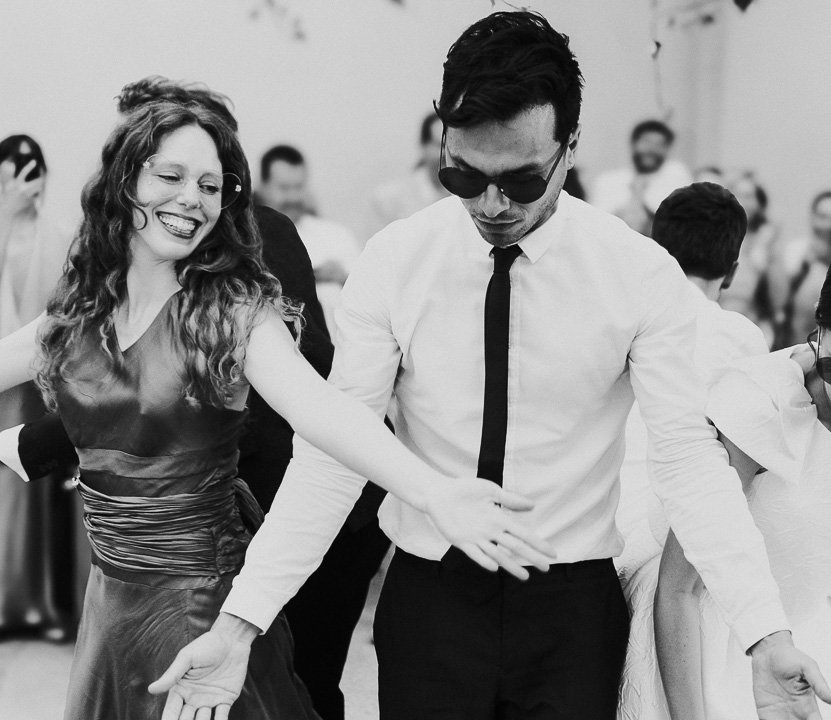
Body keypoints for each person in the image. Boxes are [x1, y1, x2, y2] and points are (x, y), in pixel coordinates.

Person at [155, 12, 830, 720]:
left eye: (521, 179)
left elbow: (688, 464)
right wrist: (240, 625)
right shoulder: (395, 261)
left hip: (572, 612)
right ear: (442, 137)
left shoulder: (639, 274)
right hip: (430, 604)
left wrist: (766, 634)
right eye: (464, 175)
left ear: (570, 150)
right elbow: (336, 453)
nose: (492, 204)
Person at [0, 98, 550, 720]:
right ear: (127, 178)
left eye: (211, 185)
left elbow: (322, 408)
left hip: (198, 606)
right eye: (170, 176)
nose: (192, 199)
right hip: (109, 605)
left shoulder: (230, 311)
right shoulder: (84, 304)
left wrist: (431, 491)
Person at [0, 75, 386, 720]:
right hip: (129, 578)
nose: (179, 193)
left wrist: (429, 487)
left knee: (302, 686)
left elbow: (307, 394)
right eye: (149, 161)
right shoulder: (104, 290)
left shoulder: (252, 253)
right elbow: (127, 380)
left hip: (285, 516)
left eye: (199, 177)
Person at [642, 229, 831, 720]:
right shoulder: (765, 406)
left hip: (818, 638)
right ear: (820, 329)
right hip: (712, 646)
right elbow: (680, 589)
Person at [616, 182, 768, 579]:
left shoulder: (619, 316)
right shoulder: (741, 337)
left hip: (596, 519)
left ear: (654, 249)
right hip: (669, 536)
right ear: (732, 272)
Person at [0, 134, 75, 640]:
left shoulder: (62, 235)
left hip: (42, 380)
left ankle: (41, 604)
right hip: (4, 380)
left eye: (34, 170)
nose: (27, 181)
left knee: (40, 492)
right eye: (13, 172)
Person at [259, 144, 361, 340]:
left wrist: (342, 277)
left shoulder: (336, 234)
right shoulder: (250, 238)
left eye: (299, 187)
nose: (293, 197)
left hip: (342, 345)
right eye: (283, 188)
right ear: (263, 186)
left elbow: (371, 295)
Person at [769, 190, 831, 348]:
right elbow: (776, 310)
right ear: (812, 217)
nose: (829, 225)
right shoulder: (792, 254)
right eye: (823, 217)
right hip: (789, 352)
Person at [590, 119, 692, 235]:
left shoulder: (676, 179)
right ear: (634, 144)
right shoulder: (607, 181)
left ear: (667, 150)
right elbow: (596, 223)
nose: (652, 149)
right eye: (646, 142)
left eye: (660, 144)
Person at [363, 111, 450, 242]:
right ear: (423, 145)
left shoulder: (468, 195)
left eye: (453, 146)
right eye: (440, 145)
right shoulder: (389, 198)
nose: (447, 154)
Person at [723, 172, 780, 337]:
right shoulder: (715, 237)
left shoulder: (766, 240)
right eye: (736, 194)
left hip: (754, 326)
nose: (742, 202)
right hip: (719, 321)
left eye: (749, 196)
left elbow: (778, 300)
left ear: (759, 203)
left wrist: (765, 247)